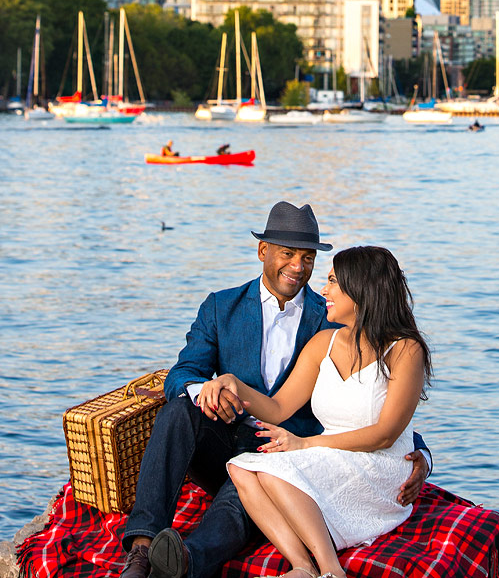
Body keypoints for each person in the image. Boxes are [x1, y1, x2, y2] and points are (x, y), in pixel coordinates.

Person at [121, 204, 430, 578]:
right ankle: (140, 549)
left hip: (289, 449)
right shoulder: (222, 307)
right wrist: (215, 390)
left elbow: (377, 409)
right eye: (287, 254)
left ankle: (185, 561)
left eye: (309, 258)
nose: (299, 267)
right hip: (224, 435)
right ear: (263, 251)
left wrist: (422, 457)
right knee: (177, 410)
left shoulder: (329, 318)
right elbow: (181, 374)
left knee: (260, 473)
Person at [192, 247, 432, 578]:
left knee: (275, 471)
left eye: (333, 281)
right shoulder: (324, 343)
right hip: (332, 453)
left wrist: (306, 445)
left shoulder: (405, 349)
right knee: (243, 468)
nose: (324, 290)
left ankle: (331, 571)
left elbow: (386, 433)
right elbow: (277, 408)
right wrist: (231, 383)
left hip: (381, 462)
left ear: (360, 290)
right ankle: (302, 565)